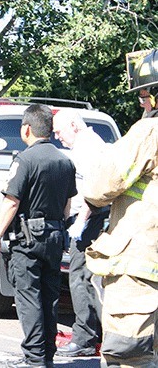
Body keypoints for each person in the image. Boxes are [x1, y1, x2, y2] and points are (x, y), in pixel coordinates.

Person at [0, 104, 77, 368]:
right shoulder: (65, 161)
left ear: (27, 129)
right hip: (54, 236)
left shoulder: (25, 160)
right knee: (49, 296)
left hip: (28, 239)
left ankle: (34, 358)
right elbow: (67, 205)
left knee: (28, 298)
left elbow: (12, 202)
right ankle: (47, 354)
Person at [82, 84, 158, 366]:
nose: (142, 105)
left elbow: (103, 184)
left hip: (140, 268)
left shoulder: (148, 132)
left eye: (144, 97)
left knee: (129, 355)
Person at [52, 109, 107, 357]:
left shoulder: (87, 147)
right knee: (90, 278)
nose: (57, 137)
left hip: (91, 219)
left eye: (59, 131)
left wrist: (81, 221)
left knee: (80, 277)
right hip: (92, 217)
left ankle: (84, 338)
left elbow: (93, 188)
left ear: (73, 125)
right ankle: (93, 334)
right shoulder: (89, 144)